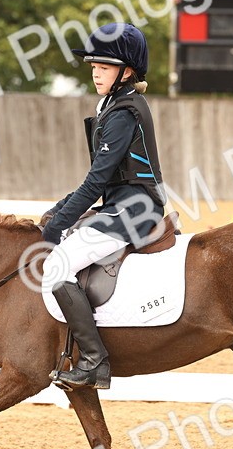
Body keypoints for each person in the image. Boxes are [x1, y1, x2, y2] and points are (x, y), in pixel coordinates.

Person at [40, 23, 166, 390]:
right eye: (93, 65)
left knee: (57, 264)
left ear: (127, 71)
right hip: (120, 202)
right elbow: (98, 179)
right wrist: (59, 209)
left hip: (139, 206)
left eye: (105, 66)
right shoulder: (111, 104)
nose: (96, 72)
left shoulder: (125, 110)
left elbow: (96, 180)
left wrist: (57, 224)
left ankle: (95, 361)